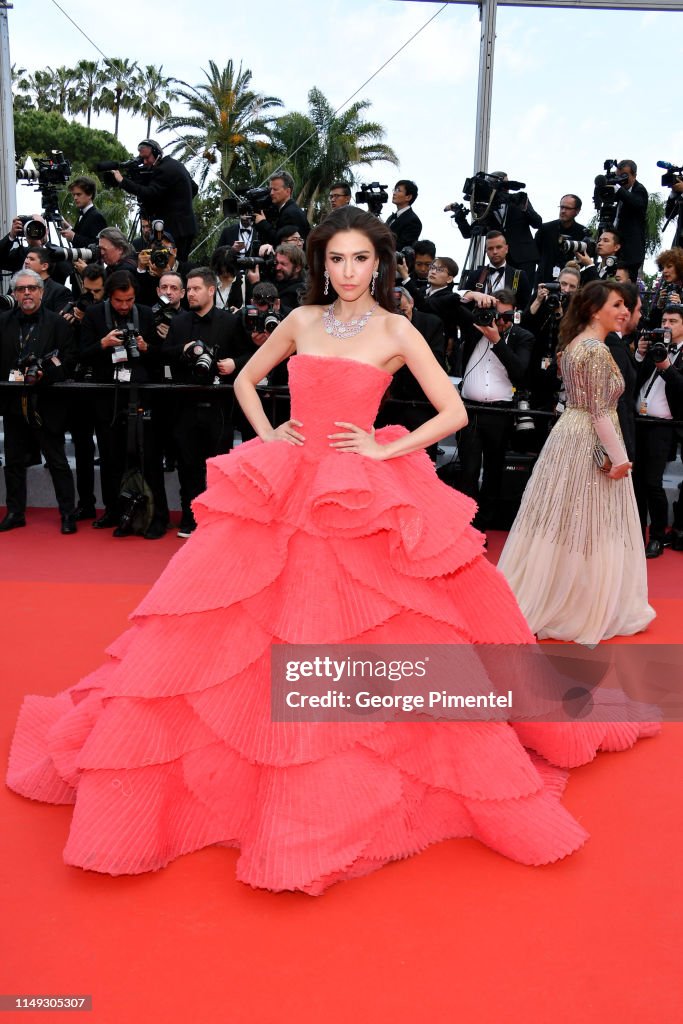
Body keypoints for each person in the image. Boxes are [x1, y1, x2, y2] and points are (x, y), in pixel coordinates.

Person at [7, 209, 657, 896]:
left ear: (380, 263)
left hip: (356, 490)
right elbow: (243, 382)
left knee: (368, 619)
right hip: (285, 481)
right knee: (230, 619)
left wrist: (383, 446)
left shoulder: (396, 329)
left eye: (359, 260)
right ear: (323, 264)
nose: (347, 272)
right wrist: (269, 434)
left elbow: (453, 411)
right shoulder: (301, 321)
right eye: (336, 260)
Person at [499, 280, 656, 644]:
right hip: (591, 437)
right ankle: (579, 601)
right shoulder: (596, 351)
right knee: (588, 519)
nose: (623, 311)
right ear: (592, 309)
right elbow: (601, 413)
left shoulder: (575, 345)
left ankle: (562, 591)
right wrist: (620, 460)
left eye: (625, 306)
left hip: (570, 432)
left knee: (568, 516)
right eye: (616, 305)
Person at [0, 269, 77, 534]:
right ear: (14, 294)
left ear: (41, 292)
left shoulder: (58, 323)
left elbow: (69, 361)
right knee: (12, 461)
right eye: (21, 289)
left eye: (32, 288)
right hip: (13, 403)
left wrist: (46, 374)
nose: (27, 293)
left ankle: (68, 513)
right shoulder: (3, 322)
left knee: (57, 461)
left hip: (47, 403)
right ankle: (14, 512)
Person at [113, 140, 199, 261]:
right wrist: (177, 202)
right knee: (179, 265)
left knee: (170, 266)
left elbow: (149, 193)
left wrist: (123, 181)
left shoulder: (163, 170)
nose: (144, 162)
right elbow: (194, 188)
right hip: (187, 226)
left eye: (147, 158)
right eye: (142, 159)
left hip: (175, 230)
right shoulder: (176, 164)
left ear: (156, 152)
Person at [385, 179, 422, 248]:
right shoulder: (391, 217)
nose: (394, 193)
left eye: (398, 190)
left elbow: (402, 247)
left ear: (408, 197)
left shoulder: (413, 221)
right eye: (394, 190)